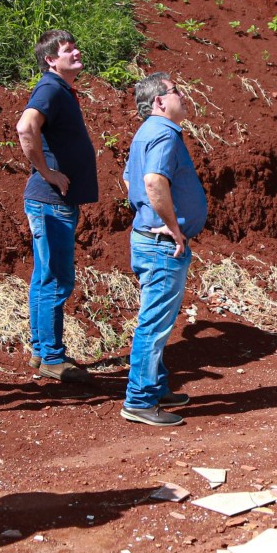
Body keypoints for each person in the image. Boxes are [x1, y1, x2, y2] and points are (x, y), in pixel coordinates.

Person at [14, 29, 100, 384]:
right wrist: (47, 172)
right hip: (51, 203)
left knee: (44, 277)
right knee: (56, 280)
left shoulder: (60, 89)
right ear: (51, 60)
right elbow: (25, 127)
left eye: (75, 46)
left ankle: (41, 350)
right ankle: (52, 357)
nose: (76, 52)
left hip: (53, 203)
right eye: (67, 50)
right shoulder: (50, 88)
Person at [120, 72, 207, 427]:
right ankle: (139, 400)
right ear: (159, 101)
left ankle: (155, 387)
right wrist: (173, 227)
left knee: (156, 321)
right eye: (176, 91)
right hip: (161, 245)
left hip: (150, 240)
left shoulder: (146, 133)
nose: (182, 96)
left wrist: (144, 210)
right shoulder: (164, 133)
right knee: (153, 325)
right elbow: (152, 181)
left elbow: (129, 178)